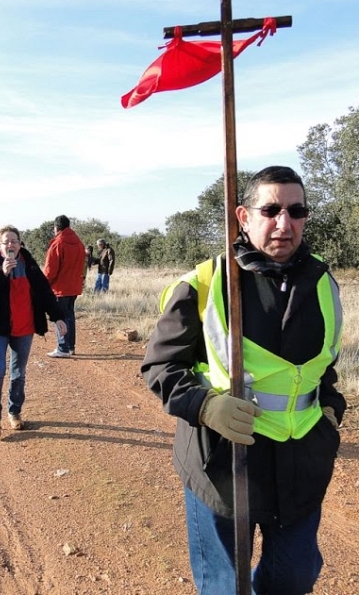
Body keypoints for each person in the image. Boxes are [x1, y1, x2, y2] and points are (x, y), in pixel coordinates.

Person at [141, 166, 345, 595]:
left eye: (296, 210)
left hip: (300, 465)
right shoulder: (205, 283)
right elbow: (160, 367)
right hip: (223, 464)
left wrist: (330, 407)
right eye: (270, 210)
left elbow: (324, 364)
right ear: (243, 216)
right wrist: (205, 406)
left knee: (293, 578)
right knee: (225, 587)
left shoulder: (324, 281)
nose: (284, 223)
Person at [0, 225, 66, 438]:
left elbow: (45, 292)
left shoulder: (30, 265)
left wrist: (57, 317)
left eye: (14, 241)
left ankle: (14, 412)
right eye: (6, 241)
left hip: (24, 327)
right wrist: (2, 272)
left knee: (18, 373)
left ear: (20, 244)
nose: (11, 245)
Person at [43, 215, 86, 358]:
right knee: (69, 316)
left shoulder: (58, 243)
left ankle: (62, 347)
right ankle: (70, 347)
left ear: (56, 227)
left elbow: (50, 269)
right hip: (74, 286)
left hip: (60, 288)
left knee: (60, 317)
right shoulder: (79, 243)